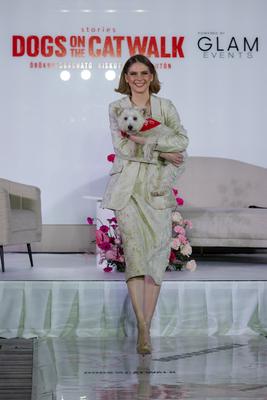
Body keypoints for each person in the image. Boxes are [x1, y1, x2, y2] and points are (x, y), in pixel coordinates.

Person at [101, 54, 189, 354]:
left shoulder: (167, 106)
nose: (139, 77)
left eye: (144, 72)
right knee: (136, 257)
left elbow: (182, 141)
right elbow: (123, 148)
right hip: (128, 190)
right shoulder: (116, 108)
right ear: (125, 77)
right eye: (133, 72)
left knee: (156, 260)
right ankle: (141, 327)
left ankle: (147, 324)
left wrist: (147, 143)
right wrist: (162, 153)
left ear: (151, 75)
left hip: (157, 191)